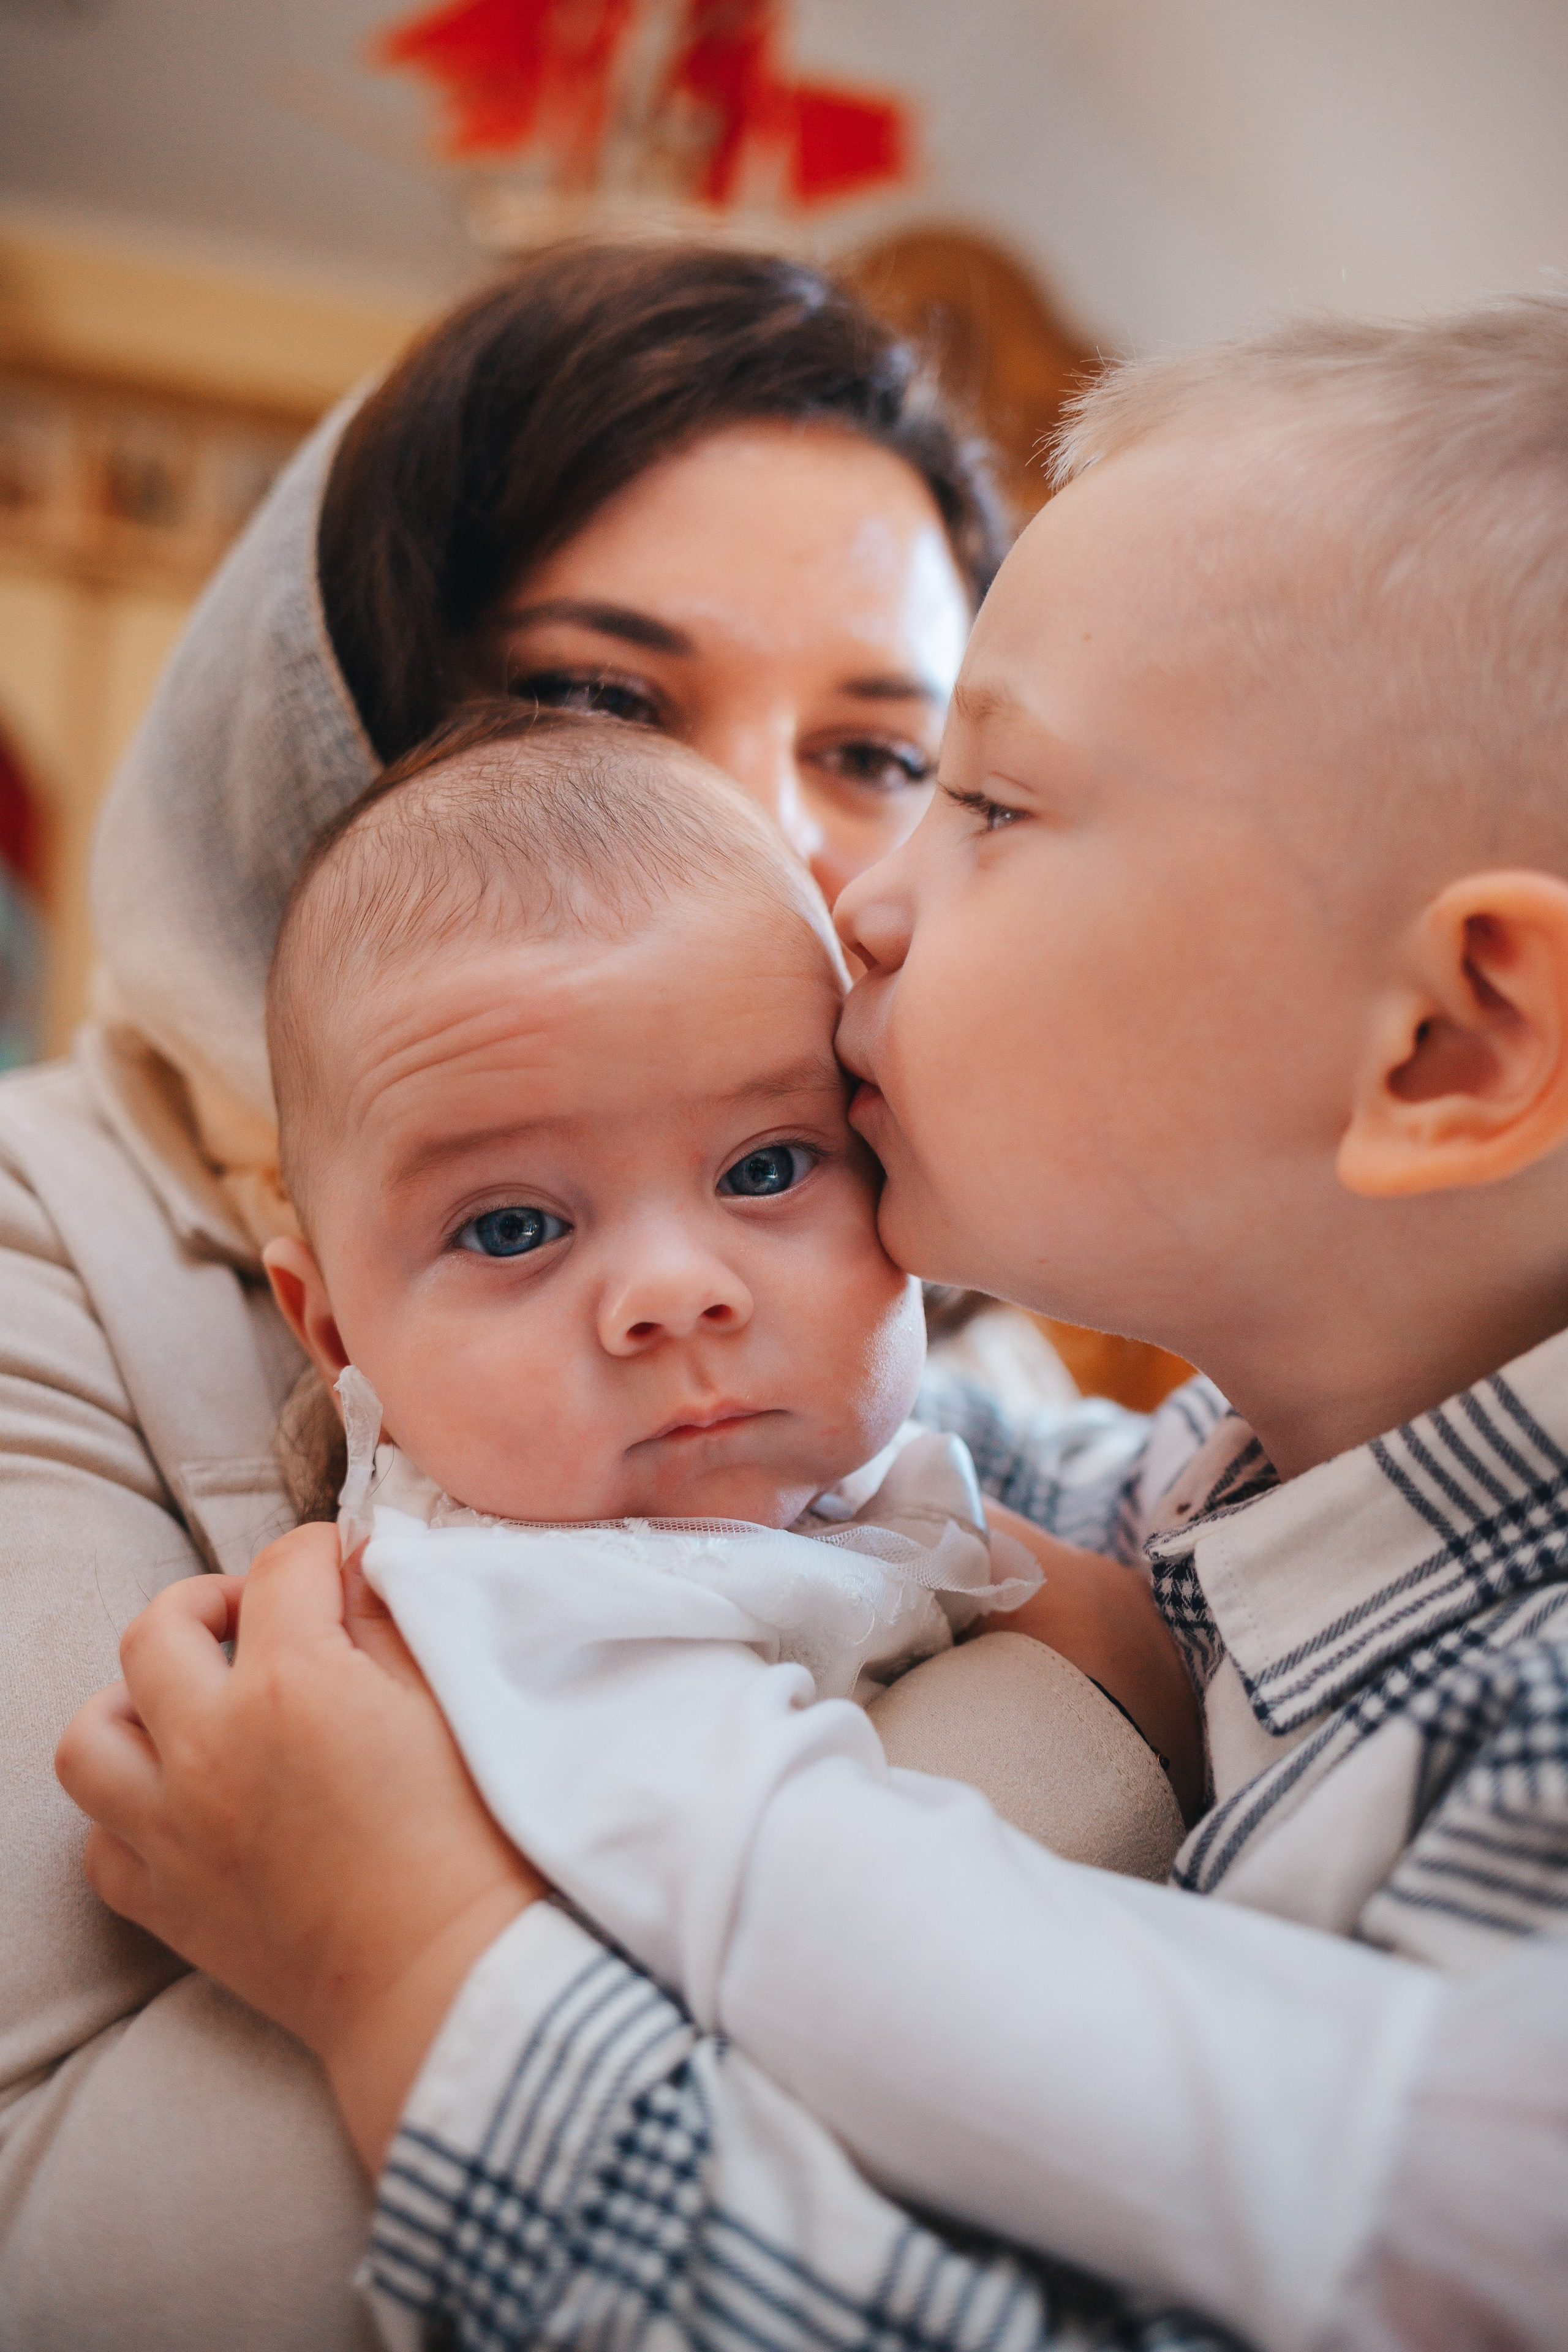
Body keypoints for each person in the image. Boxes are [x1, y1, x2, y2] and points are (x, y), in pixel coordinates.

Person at [60, 301, 1568, 2352]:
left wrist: (421, 1959)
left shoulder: (1489, 1699)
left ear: (1450, 1041)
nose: (832, 884)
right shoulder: (1226, 1473)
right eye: (597, 700)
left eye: (958, 787)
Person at [0, 240, 1054, 2352]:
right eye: (599, 701)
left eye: (879, 752)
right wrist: (1083, 1714)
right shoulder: (47, 1229)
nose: (754, 832)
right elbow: (74, 2237)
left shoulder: (957, 1308)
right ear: (352, 708)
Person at [258, 698, 1200, 1852]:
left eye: (765, 1169)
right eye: (512, 1229)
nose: (674, 1291)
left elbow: (1161, 1518)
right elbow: (817, 1910)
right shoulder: (499, 1624)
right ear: (337, 1337)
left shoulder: (890, 1460)